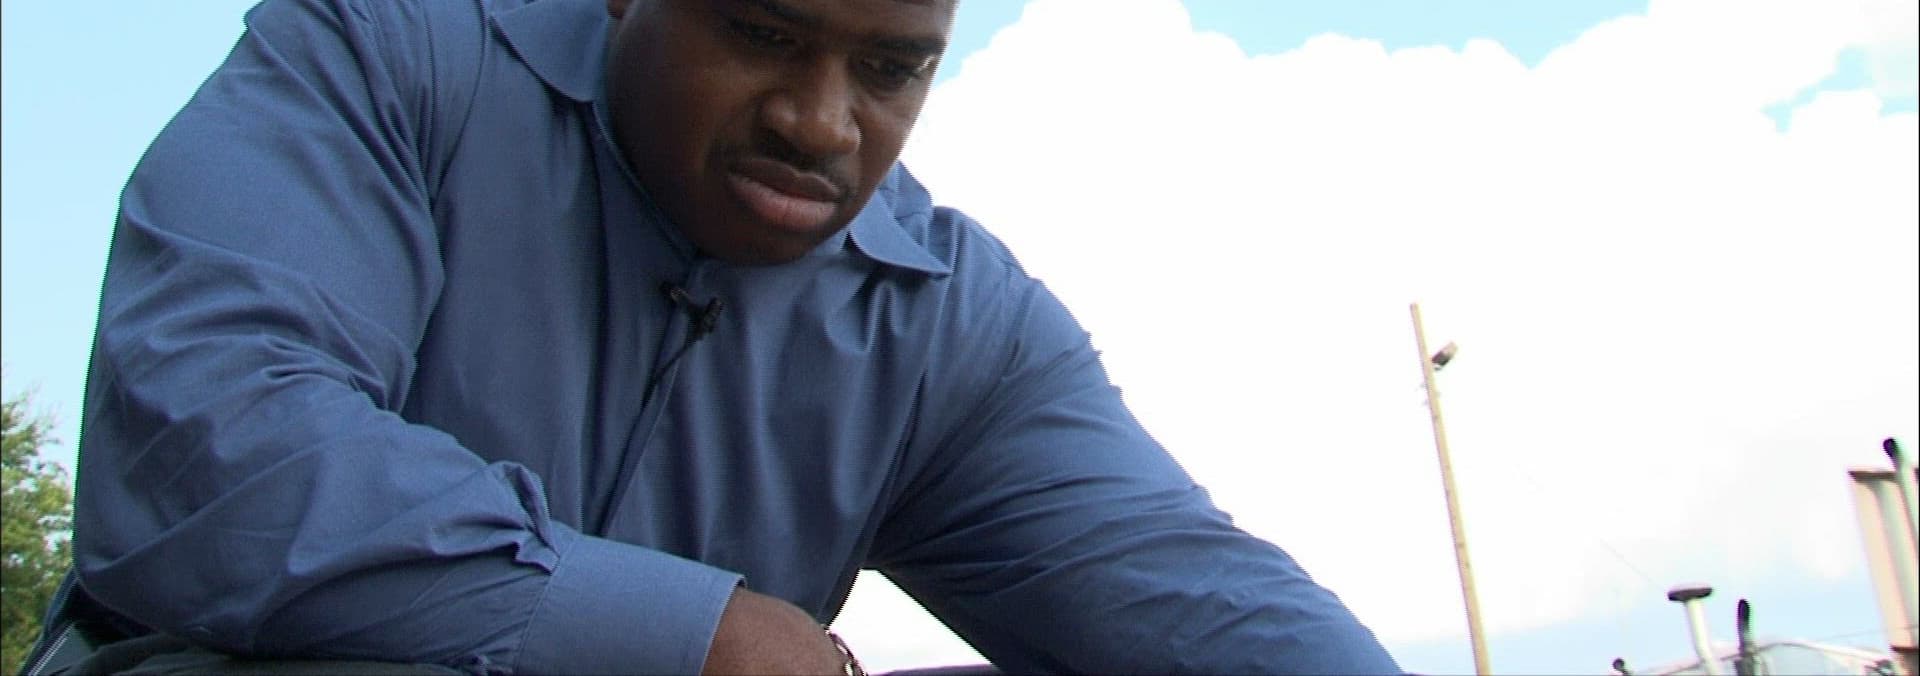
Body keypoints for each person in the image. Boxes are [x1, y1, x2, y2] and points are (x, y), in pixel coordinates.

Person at [23, 0, 1403, 673]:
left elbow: (1198, 604)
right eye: (761, 32)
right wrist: (691, 636)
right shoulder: (384, 57)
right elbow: (215, 454)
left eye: (891, 69)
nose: (821, 122)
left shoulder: (946, 323)